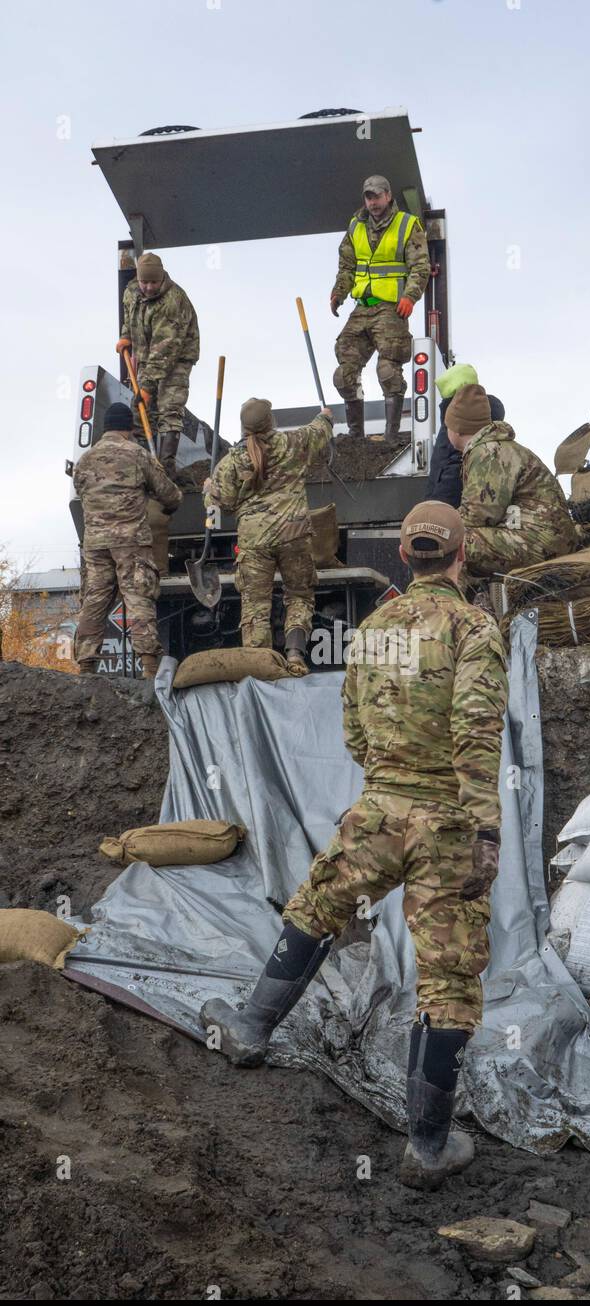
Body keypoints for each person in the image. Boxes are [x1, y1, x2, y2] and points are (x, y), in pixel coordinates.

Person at [200, 501, 508, 1191]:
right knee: (448, 978)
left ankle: (251, 1028)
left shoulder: (371, 629)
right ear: (460, 556)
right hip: (447, 821)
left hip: (379, 808)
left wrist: (386, 785)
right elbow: (476, 731)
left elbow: (355, 735)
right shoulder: (475, 628)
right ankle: (427, 1148)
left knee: (318, 905)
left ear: (404, 556)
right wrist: (484, 827)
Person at [207, 398, 333, 674]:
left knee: (255, 604)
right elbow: (320, 431)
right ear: (271, 421)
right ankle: (295, 654)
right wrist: (325, 416)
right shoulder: (293, 443)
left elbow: (221, 503)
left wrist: (208, 488)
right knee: (299, 594)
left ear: (243, 427)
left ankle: (259, 666)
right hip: (294, 536)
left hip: (254, 542)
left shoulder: (231, 462)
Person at [73, 402, 182, 677]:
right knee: (138, 598)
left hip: (95, 544)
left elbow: (80, 490)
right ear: (129, 428)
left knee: (94, 600)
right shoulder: (137, 454)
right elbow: (168, 494)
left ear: (106, 428)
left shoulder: (84, 461)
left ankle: (86, 666)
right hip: (131, 542)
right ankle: (149, 667)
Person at [331, 174, 430, 446]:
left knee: (387, 370)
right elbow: (347, 267)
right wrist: (339, 292)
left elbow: (420, 268)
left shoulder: (408, 225)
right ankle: (356, 436)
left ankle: (391, 436)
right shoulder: (356, 226)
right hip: (362, 308)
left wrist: (410, 296)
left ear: (388, 195)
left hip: (391, 308)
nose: (373, 202)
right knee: (343, 374)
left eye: (377, 196)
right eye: (368, 196)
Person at [445, 384, 579, 584]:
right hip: (543, 538)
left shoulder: (488, 452)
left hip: (538, 541)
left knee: (450, 541)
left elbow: (478, 514)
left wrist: (437, 524)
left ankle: (447, 609)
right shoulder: (493, 448)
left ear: (457, 429)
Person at [116, 252, 200, 479]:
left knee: (168, 408)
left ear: (162, 278)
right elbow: (129, 316)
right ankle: (144, 466)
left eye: (154, 282)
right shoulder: (132, 291)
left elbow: (165, 350)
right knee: (141, 409)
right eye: (145, 282)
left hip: (176, 357)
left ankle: (165, 471)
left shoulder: (173, 301)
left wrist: (147, 387)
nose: (149, 287)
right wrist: (127, 337)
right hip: (148, 355)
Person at [426, 363, 505, 508]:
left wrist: (436, 506)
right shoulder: (484, 410)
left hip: (450, 503)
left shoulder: (459, 417)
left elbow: (453, 466)